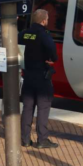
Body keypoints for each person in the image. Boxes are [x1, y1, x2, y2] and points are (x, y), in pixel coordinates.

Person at [19, 9, 59, 149]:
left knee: (27, 107)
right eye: (47, 19)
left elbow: (18, 51)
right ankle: (42, 140)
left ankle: (25, 139)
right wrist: (51, 59)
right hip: (42, 77)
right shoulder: (44, 35)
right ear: (43, 21)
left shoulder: (23, 34)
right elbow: (53, 53)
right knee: (43, 107)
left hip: (28, 76)